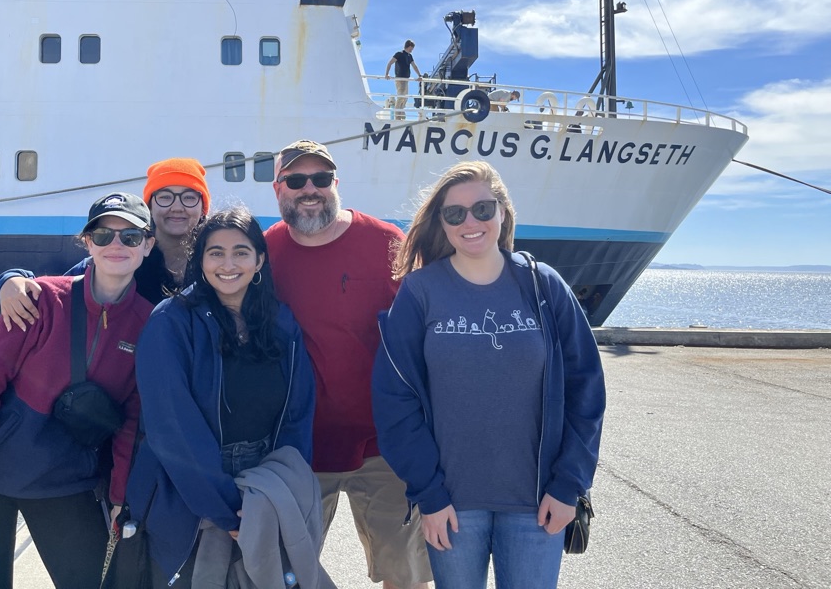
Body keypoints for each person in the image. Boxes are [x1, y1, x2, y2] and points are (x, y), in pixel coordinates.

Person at [371, 161, 606, 589]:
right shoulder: (421, 292)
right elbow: (395, 399)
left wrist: (569, 484)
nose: (470, 222)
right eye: (454, 213)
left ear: (502, 211)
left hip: (538, 503)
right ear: (442, 223)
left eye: (482, 208)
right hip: (452, 506)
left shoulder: (543, 285)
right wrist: (429, 494)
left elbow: (585, 390)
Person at [0, 192, 156, 589]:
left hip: (65, 482)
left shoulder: (148, 325)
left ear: (148, 245)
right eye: (104, 235)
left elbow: (133, 424)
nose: (116, 245)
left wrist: (122, 498)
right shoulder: (40, 300)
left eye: (131, 236)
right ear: (87, 242)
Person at [264, 140, 432, 589]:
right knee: (285, 575)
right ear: (277, 189)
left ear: (335, 183)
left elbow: (431, 333)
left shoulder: (387, 243)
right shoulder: (264, 254)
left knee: (406, 573)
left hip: (387, 446)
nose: (309, 190)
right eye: (296, 181)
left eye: (320, 179)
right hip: (300, 447)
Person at [123, 206, 316, 588]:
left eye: (241, 252)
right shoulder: (172, 321)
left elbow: (298, 411)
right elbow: (172, 426)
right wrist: (229, 508)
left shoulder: (280, 322)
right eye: (216, 252)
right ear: (201, 260)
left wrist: (283, 482)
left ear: (259, 259)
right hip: (191, 485)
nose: (228, 264)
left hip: (266, 478)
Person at [0, 157, 210, 329]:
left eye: (189, 197)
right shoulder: (124, 258)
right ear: (150, 207)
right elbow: (55, 286)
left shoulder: (215, 263)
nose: (177, 206)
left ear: (203, 208)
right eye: (165, 197)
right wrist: (9, 280)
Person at [385, 40, 422, 120]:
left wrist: (420, 75)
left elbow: (414, 66)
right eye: (411, 48)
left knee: (405, 98)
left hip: (406, 79)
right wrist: (387, 74)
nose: (412, 50)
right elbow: (390, 63)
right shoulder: (399, 54)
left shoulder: (409, 56)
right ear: (409, 46)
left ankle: (401, 112)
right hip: (400, 79)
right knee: (401, 96)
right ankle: (397, 116)